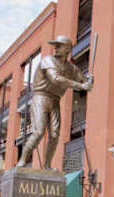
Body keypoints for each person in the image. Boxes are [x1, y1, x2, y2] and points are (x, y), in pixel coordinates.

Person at [17, 35, 93, 169]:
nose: (56, 47)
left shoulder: (72, 68)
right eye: (55, 45)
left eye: (59, 45)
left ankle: (47, 165)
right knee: (39, 131)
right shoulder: (48, 60)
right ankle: (22, 161)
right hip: (41, 97)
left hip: (55, 100)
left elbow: (84, 81)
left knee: (54, 135)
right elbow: (55, 79)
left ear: (68, 49)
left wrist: (89, 81)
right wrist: (82, 86)